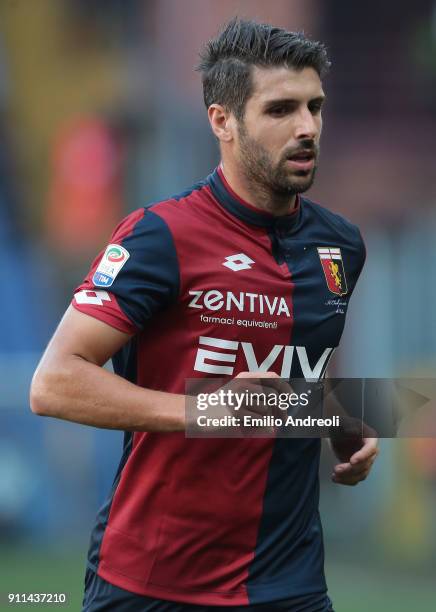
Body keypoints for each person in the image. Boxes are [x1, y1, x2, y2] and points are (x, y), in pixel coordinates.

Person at [30, 18, 379, 612]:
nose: (307, 128)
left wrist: (344, 420)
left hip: (290, 582)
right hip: (152, 583)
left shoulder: (341, 245)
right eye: (281, 110)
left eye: (315, 107)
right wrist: (200, 410)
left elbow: (290, 376)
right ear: (223, 121)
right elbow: (54, 383)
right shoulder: (161, 235)